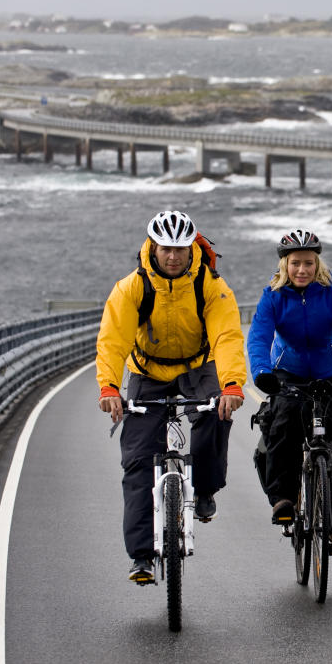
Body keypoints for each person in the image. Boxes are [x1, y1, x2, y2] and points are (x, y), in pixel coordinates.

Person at [96, 210, 246, 584]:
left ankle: (207, 489)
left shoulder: (211, 285)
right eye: (166, 249)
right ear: (154, 248)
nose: (174, 257)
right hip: (148, 371)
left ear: (190, 248)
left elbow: (227, 336)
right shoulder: (131, 288)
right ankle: (142, 557)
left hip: (198, 366)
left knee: (216, 414)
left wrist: (231, 384)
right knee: (137, 461)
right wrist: (109, 387)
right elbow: (113, 341)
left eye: (180, 249)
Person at [247, 229, 332, 555]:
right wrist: (262, 372)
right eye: (295, 263)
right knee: (283, 426)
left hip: (328, 374)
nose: (302, 270)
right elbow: (259, 336)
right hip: (286, 374)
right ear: (285, 265)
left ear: (317, 263)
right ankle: (284, 499)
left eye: (308, 263)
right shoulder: (273, 296)